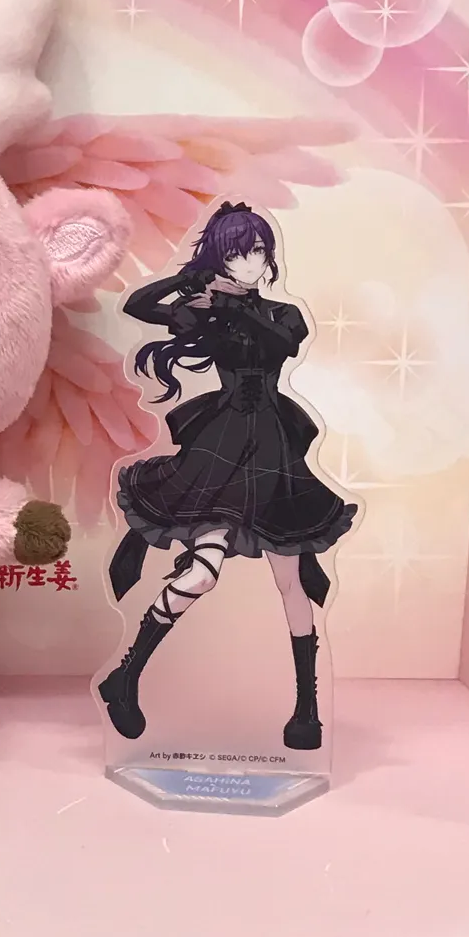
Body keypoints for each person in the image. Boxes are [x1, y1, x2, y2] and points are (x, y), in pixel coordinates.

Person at [98, 202, 354, 750]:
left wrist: (232, 304)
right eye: (235, 253)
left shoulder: (285, 313)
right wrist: (190, 280)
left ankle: (306, 708)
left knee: (291, 582)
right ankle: (124, 677)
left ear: (269, 256)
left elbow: (281, 343)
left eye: (257, 250)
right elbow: (139, 305)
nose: (248, 262)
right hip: (223, 447)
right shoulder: (209, 312)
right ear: (220, 259)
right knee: (200, 575)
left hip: (274, 453)